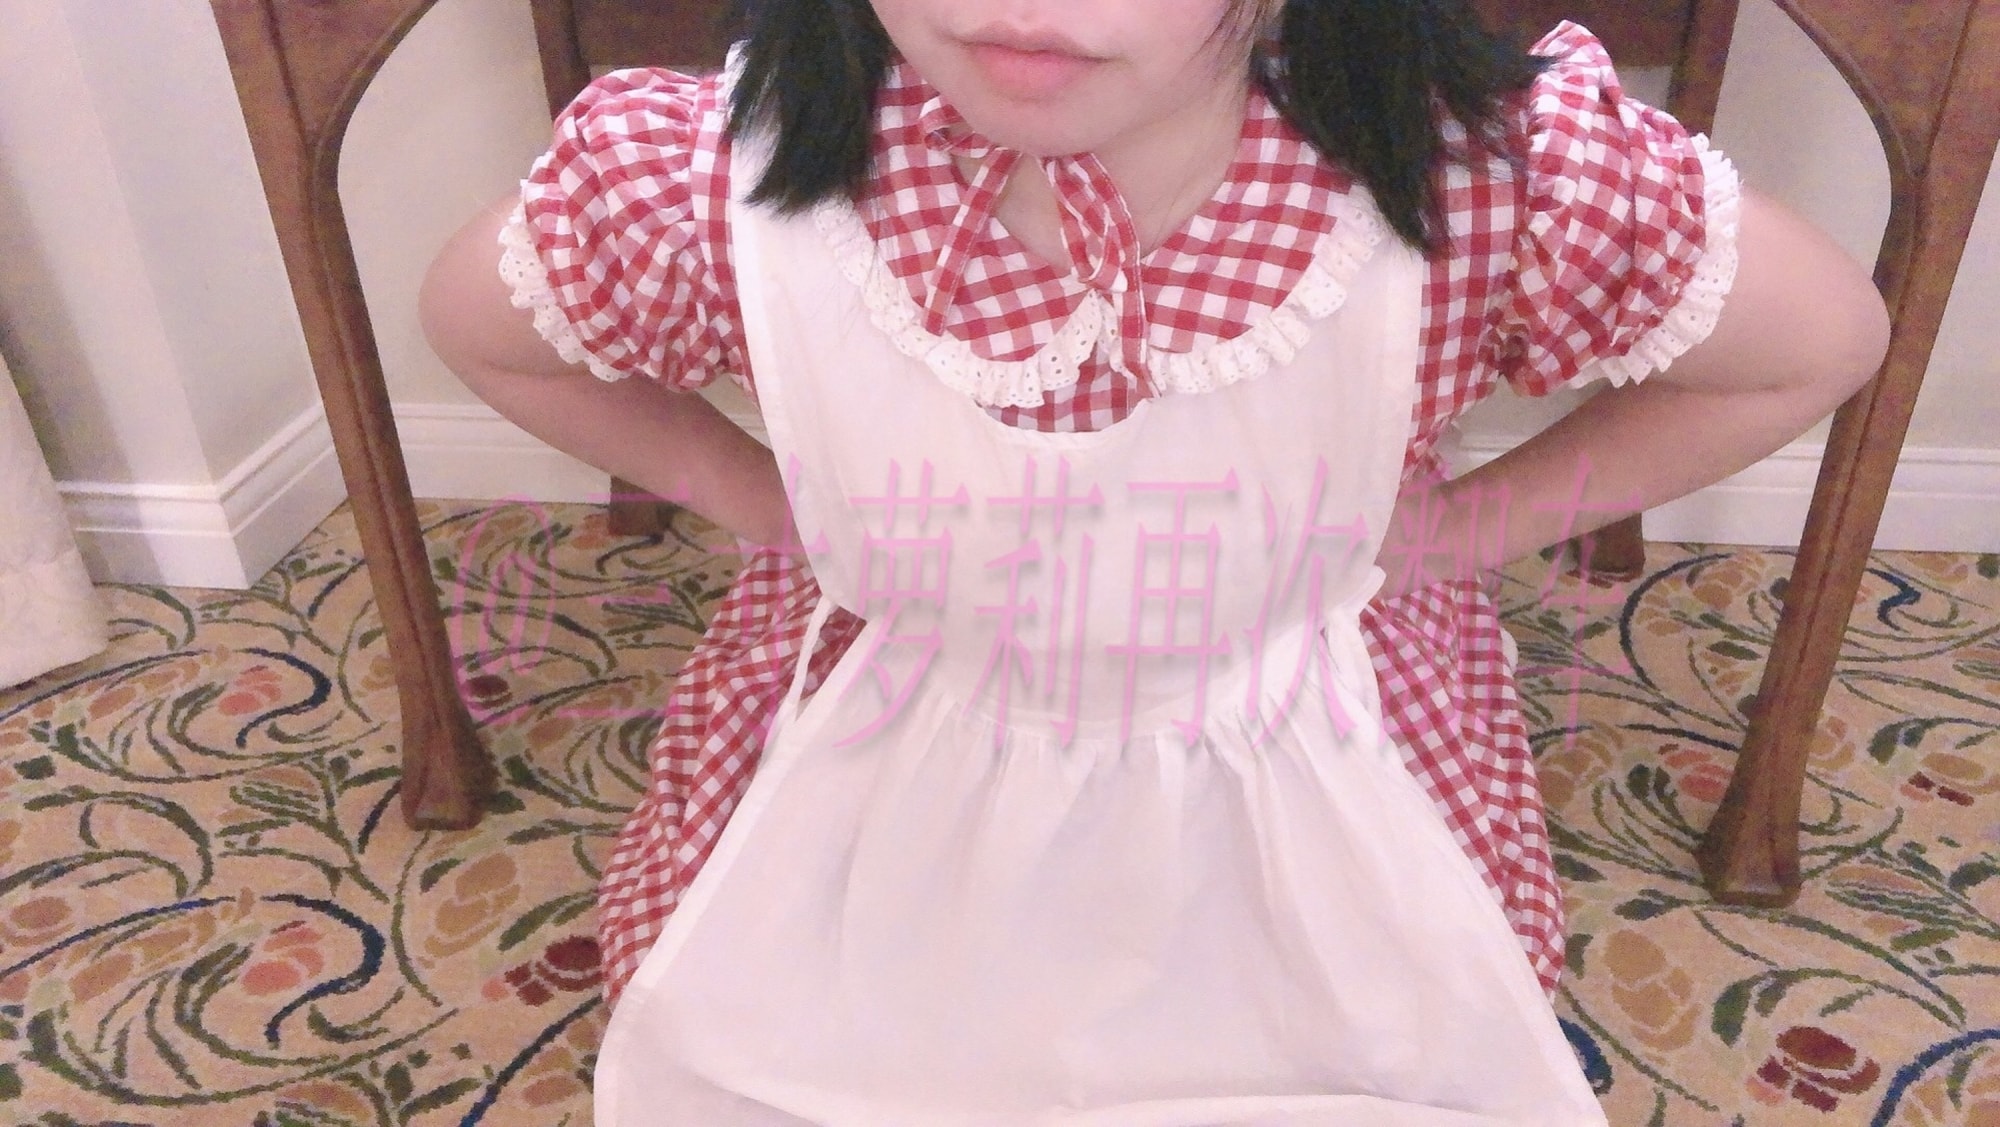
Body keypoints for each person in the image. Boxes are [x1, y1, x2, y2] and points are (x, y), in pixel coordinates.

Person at [422, 0, 1888, 1120]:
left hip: (1301, 738)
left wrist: (1454, 534)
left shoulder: (1475, 182)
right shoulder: (720, 184)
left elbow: (1816, 343)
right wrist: (777, 509)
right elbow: (482, 324)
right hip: (887, 731)